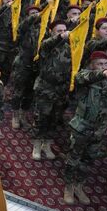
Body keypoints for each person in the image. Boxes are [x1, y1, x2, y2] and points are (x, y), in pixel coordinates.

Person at [63, 51, 107, 205]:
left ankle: (79, 186)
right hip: (82, 126)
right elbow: (83, 78)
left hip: (99, 129)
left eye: (105, 64)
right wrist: (104, 73)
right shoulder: (84, 76)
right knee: (73, 158)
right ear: (92, 65)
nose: (103, 67)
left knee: (89, 159)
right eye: (99, 64)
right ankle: (68, 186)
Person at [31, 20, 71, 161]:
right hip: (46, 88)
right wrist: (61, 37)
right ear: (51, 32)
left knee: (54, 119)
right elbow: (46, 45)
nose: (63, 32)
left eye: (64, 30)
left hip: (61, 90)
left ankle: (47, 145)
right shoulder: (47, 45)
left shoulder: (70, 47)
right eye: (59, 31)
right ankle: (36, 145)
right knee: (41, 118)